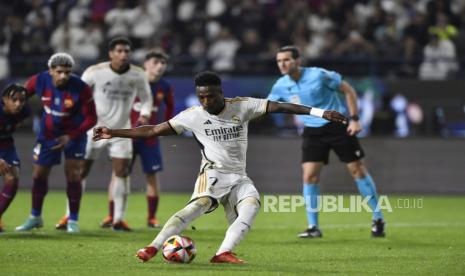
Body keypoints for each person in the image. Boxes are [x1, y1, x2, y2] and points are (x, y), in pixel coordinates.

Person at [92, 71, 347, 263]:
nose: (205, 101)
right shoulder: (192, 115)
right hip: (212, 173)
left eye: (210, 96)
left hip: (239, 177)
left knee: (252, 205)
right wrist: (112, 132)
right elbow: (153, 130)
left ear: (220, 93)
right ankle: (153, 247)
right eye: (201, 96)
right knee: (197, 206)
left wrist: (319, 113)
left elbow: (280, 106)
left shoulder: (242, 106)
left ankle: (222, 252)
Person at [267, 45, 386, 238]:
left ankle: (377, 217)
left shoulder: (319, 75)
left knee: (358, 170)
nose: (282, 64)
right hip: (312, 132)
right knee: (309, 177)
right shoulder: (281, 85)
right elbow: (268, 106)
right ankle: (313, 227)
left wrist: (355, 119)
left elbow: (348, 90)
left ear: (298, 61)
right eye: (279, 61)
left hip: (337, 126)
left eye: (286, 60)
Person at [55, 37, 153, 231]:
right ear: (111, 54)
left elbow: (147, 98)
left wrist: (144, 114)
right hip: (95, 129)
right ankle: (69, 216)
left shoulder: (138, 74)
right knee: (80, 172)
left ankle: (118, 219)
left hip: (121, 131)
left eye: (126, 51)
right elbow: (76, 94)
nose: (124, 54)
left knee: (122, 172)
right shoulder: (95, 72)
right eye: (119, 51)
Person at [16, 53, 97, 233]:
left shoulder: (81, 88)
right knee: (38, 174)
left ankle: (73, 220)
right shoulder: (38, 81)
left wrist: (72, 135)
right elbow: (19, 97)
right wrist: (17, 116)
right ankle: (35, 217)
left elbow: (92, 118)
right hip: (48, 135)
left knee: (74, 175)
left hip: (74, 136)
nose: (64, 76)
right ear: (50, 71)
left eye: (67, 72)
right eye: (59, 72)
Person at [130, 50, 174, 228]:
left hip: (150, 137)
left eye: (163, 63)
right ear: (146, 64)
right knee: (119, 175)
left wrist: (166, 128)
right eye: (156, 61)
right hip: (128, 136)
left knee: (152, 177)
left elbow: (170, 108)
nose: (160, 66)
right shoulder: (132, 81)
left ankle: (152, 218)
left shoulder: (164, 85)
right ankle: (114, 216)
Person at [0, 84, 30, 232]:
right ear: (4, 99)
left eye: (21, 100)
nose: (18, 104)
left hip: (6, 145)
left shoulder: (24, 111)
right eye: (14, 100)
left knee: (13, 179)